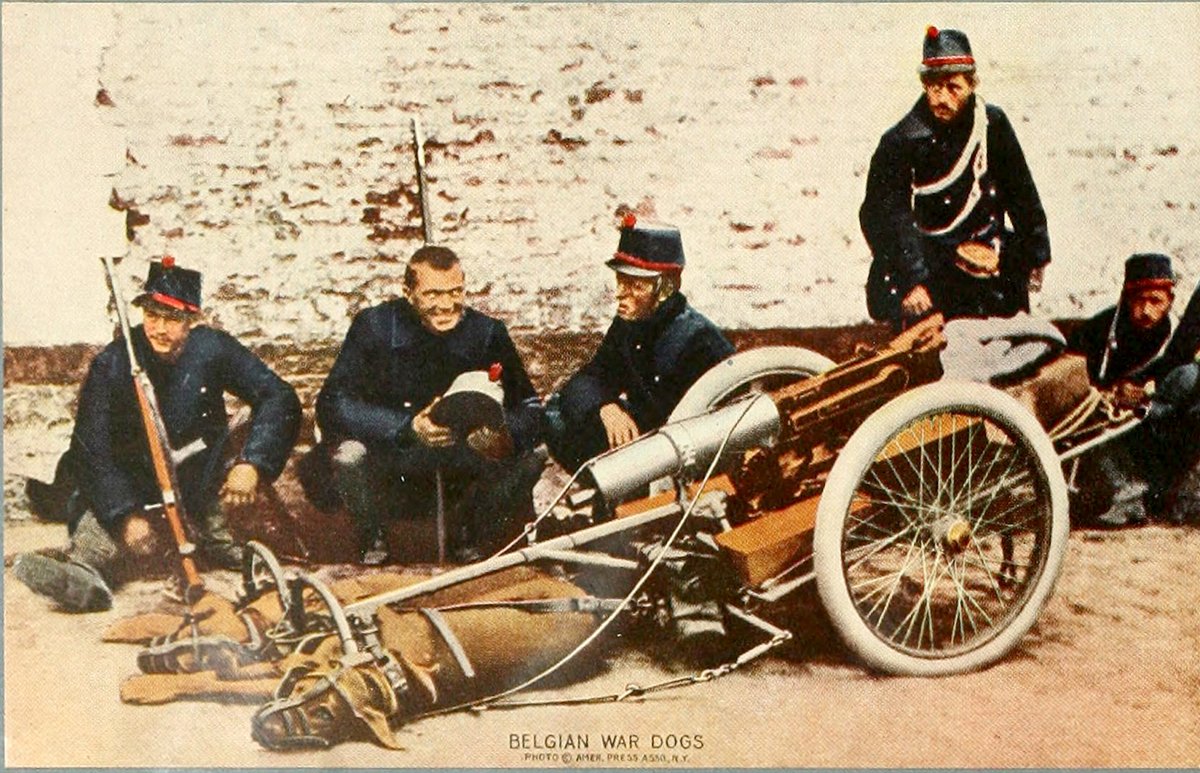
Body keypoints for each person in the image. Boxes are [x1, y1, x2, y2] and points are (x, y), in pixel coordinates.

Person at [12, 257, 302, 612]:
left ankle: (216, 551)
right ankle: (83, 578)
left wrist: (252, 463)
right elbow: (92, 449)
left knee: (229, 548)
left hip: (198, 482)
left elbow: (279, 396)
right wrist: (124, 515)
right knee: (101, 541)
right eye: (152, 315)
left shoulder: (213, 348)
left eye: (172, 319)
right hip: (132, 485)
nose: (160, 329)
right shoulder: (113, 362)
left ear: (192, 320)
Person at [310, 245, 545, 564]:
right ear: (408, 293)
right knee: (349, 456)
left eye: (455, 292)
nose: (446, 305)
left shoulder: (487, 332)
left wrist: (502, 434)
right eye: (432, 294)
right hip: (393, 459)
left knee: (534, 455)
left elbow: (529, 405)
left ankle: (471, 532)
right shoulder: (374, 326)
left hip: (461, 461)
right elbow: (333, 403)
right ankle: (372, 535)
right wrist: (406, 427)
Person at [860, 26, 1051, 328]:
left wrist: (1036, 254)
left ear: (972, 84)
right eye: (935, 87)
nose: (942, 98)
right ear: (924, 85)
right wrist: (912, 280)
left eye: (953, 87)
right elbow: (884, 216)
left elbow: (1021, 192)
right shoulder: (900, 142)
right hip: (930, 274)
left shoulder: (991, 125)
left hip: (986, 266)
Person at [544, 214, 735, 472]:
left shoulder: (699, 340)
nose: (619, 293)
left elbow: (720, 426)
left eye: (634, 285)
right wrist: (606, 407)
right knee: (557, 413)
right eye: (620, 281)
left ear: (665, 289)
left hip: (681, 455)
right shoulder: (629, 326)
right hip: (643, 440)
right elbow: (591, 377)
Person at [1065, 252, 1191, 526]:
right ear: (1126, 299)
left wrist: (1147, 395)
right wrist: (1111, 392)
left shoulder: (1175, 338)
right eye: (1139, 300)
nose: (1146, 310)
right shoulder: (1099, 331)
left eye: (1155, 301)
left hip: (1151, 424)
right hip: (1102, 425)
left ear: (1170, 301)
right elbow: (1074, 382)